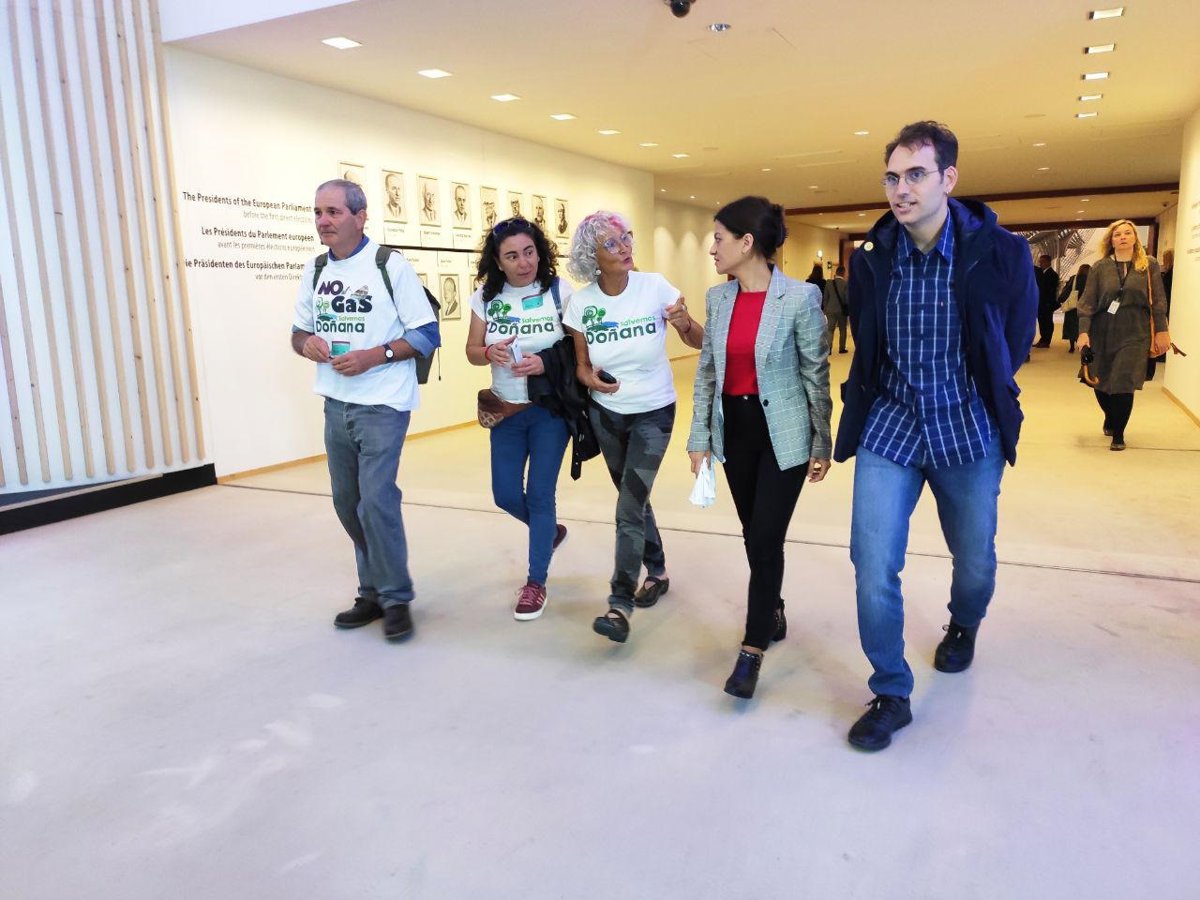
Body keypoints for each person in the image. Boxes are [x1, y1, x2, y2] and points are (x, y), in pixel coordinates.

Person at [833, 121, 1037, 751]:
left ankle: (964, 622)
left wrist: (983, 387)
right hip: (891, 425)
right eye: (892, 177)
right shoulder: (873, 257)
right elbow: (868, 341)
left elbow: (1016, 337)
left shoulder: (1000, 252)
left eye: (916, 174)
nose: (901, 189)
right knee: (872, 562)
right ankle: (890, 691)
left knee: (974, 559)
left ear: (949, 178)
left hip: (966, 427)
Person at [686, 196, 832, 699]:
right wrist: (700, 439)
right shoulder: (718, 299)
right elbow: (707, 372)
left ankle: (751, 650)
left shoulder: (800, 298)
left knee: (766, 537)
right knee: (754, 534)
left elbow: (815, 373)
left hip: (783, 435)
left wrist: (822, 440)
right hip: (737, 432)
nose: (712, 248)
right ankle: (774, 606)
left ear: (747, 242)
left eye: (719, 238)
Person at [290, 179, 441, 641]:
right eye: (318, 212)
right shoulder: (316, 269)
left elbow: (426, 334)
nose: (323, 221)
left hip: (383, 403)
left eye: (333, 212)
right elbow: (297, 333)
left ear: (360, 216)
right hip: (335, 402)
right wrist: (307, 344)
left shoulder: (389, 265)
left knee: (376, 500)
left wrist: (375, 356)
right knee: (347, 503)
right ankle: (373, 591)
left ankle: (394, 598)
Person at [562, 211, 703, 643]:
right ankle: (657, 571)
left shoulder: (655, 287)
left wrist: (683, 322)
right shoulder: (581, 304)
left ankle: (619, 603)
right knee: (633, 497)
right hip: (607, 413)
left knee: (628, 505)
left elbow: (699, 339)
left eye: (625, 237)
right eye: (611, 243)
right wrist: (591, 380)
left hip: (654, 411)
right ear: (591, 257)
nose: (624, 247)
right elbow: (582, 367)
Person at [465, 217, 575, 620]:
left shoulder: (559, 291)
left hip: (550, 411)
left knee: (541, 495)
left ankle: (536, 583)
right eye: (512, 256)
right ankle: (549, 532)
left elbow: (577, 346)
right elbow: (471, 351)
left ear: (539, 252)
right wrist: (488, 352)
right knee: (506, 494)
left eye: (529, 252)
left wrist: (544, 363)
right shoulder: (485, 298)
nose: (523, 262)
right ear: (498, 261)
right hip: (506, 410)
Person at [1077, 219, 1170, 451]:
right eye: (1118, 234)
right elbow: (1087, 302)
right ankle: (1111, 416)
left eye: (1128, 233)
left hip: (1135, 332)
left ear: (1135, 238)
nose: (1123, 237)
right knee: (1098, 379)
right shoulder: (1100, 267)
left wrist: (1162, 330)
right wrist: (1083, 333)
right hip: (1102, 330)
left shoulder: (1148, 264)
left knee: (1123, 381)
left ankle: (1118, 434)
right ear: (1111, 240)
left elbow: (1158, 300)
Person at [1058, 263, 1089, 353]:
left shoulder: (1073, 278)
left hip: (1073, 306)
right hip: (1085, 306)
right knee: (1082, 326)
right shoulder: (1090, 279)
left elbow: (1066, 290)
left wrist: (1061, 299)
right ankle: (1082, 345)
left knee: (1071, 326)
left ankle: (1072, 347)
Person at [1033, 254, 1060, 347]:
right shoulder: (1041, 273)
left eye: (1042, 262)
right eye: (1040, 262)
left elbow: (1051, 290)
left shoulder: (1053, 275)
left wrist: (1048, 302)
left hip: (1048, 303)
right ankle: (1042, 339)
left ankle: (1046, 341)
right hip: (1040, 302)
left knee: (1047, 321)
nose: (1040, 264)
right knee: (1041, 321)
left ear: (1048, 262)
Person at [823, 264, 850, 354]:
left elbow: (825, 297)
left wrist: (825, 309)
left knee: (830, 330)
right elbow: (846, 298)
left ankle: (829, 349)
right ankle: (842, 348)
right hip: (841, 310)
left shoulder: (829, 283)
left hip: (830, 309)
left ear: (836, 272)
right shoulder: (845, 284)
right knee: (842, 329)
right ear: (843, 273)